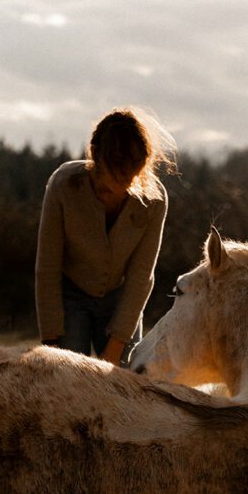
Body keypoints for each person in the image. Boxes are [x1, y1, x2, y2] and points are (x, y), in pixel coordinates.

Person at [35, 107, 176, 366]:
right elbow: (47, 266)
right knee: (66, 377)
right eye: (116, 173)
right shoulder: (63, 184)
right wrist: (51, 344)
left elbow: (141, 275)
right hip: (70, 296)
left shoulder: (154, 200)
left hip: (120, 299)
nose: (125, 185)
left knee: (124, 379)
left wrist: (116, 347)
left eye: (131, 175)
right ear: (95, 154)